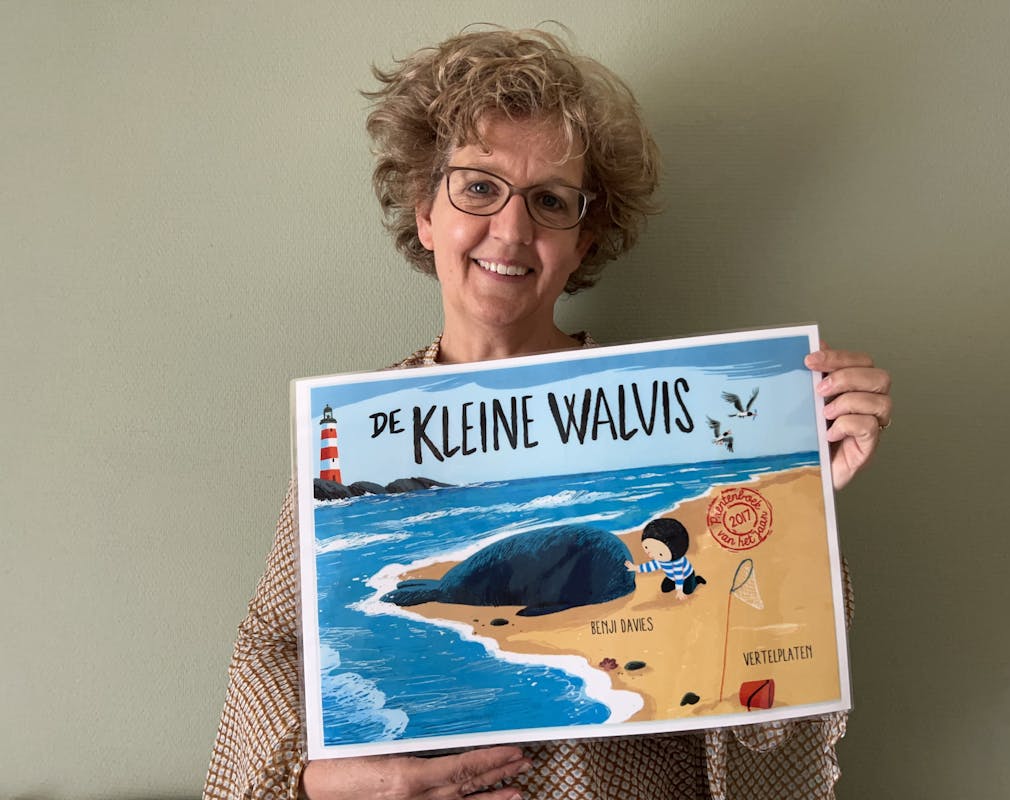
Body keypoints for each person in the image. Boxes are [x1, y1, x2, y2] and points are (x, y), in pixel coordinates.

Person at [203, 27, 892, 800]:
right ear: (425, 212)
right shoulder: (357, 428)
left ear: (581, 240)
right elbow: (272, 642)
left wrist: (797, 507)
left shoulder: (684, 417)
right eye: (477, 187)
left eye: (550, 201)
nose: (511, 229)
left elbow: (767, 695)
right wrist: (310, 780)